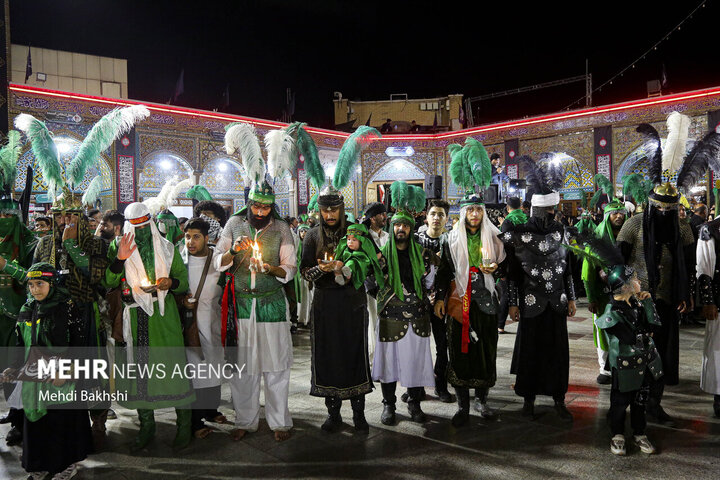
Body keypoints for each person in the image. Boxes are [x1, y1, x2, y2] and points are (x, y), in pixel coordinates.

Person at [104, 202, 195, 451]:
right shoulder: (118, 245)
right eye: (135, 227)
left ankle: (184, 426)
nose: (140, 232)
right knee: (139, 372)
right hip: (135, 317)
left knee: (173, 368)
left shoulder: (167, 248)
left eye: (144, 225)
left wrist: (169, 282)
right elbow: (108, 280)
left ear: (151, 222)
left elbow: (183, 281)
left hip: (164, 318)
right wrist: (120, 258)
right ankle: (147, 427)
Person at [215, 179, 296, 442]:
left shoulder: (282, 228)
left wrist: (270, 269)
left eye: (266, 208)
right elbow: (218, 261)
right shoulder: (233, 224)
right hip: (240, 306)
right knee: (243, 369)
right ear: (249, 203)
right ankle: (245, 420)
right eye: (257, 206)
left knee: (276, 366)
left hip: (270, 303)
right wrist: (233, 250)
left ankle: (279, 422)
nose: (261, 212)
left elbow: (290, 269)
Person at [438, 139, 506, 425]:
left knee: (485, 349)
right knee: (461, 351)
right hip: (460, 303)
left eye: (478, 210)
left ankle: (482, 401)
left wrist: (496, 272)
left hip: (487, 302)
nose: (475, 214)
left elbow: (504, 268)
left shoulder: (494, 238)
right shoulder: (451, 240)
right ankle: (463, 405)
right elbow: (443, 271)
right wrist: (441, 298)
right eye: (470, 210)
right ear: (463, 213)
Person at [3, 263, 93, 479]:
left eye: (40, 284)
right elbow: (20, 343)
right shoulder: (27, 309)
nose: (35, 289)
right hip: (34, 376)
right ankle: (40, 465)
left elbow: (80, 344)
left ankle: (66, 466)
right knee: (36, 423)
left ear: (52, 284)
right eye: (31, 285)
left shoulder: (67, 307)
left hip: (62, 376)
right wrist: (14, 367)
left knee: (60, 421)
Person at [503, 156, 576, 421]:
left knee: (558, 353)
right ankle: (528, 400)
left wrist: (571, 298)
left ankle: (559, 398)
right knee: (530, 352)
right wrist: (512, 303)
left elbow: (566, 267)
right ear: (537, 210)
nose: (552, 216)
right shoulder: (520, 233)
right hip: (530, 301)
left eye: (553, 211)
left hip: (557, 301)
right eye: (549, 211)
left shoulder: (561, 232)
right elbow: (512, 273)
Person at [371, 183, 434, 425]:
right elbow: (370, 281)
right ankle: (389, 405)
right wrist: (385, 294)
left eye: (405, 225)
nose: (401, 228)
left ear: (411, 228)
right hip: (390, 315)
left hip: (417, 315)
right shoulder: (381, 255)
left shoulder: (423, 254)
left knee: (415, 362)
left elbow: (430, 282)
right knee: (388, 363)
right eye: (397, 224)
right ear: (391, 226)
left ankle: (414, 403)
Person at [0, 153, 37, 447]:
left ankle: (20, 422)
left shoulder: (30, 242)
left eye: (8, 217)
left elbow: (36, 278)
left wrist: (7, 266)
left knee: (18, 370)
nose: (3, 221)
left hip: (20, 320)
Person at [180, 218, 227, 439]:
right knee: (196, 370)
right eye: (188, 236)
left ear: (207, 238)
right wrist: (183, 302)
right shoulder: (180, 260)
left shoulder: (217, 259)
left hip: (213, 320)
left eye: (196, 236)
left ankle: (211, 410)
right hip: (191, 322)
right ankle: (196, 419)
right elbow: (174, 287)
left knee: (213, 366)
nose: (190, 241)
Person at [583, 194, 627, 385]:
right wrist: (591, 297)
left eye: (621, 213)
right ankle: (604, 368)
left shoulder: (628, 236)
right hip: (602, 295)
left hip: (625, 293)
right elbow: (587, 272)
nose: (619, 216)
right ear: (607, 215)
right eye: (614, 213)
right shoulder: (598, 238)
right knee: (603, 329)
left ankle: (622, 365)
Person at [415, 199, 454, 403]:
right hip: (419, 302)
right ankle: (417, 387)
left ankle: (441, 386)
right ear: (426, 216)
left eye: (441, 214)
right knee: (419, 345)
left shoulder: (451, 241)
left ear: (447, 219)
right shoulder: (416, 240)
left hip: (442, 302)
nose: (436, 218)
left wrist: (440, 296)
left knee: (442, 344)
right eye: (433, 214)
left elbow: (451, 273)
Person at [696, 218, 720, 418]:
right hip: (719, 302)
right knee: (718, 351)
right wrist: (708, 301)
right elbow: (704, 269)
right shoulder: (710, 229)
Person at [498, 197, 527, 334]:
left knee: (506, 294)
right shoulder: (528, 220)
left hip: (511, 264)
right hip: (526, 264)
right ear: (521, 206)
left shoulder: (507, 222)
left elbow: (503, 248)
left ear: (508, 208)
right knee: (524, 293)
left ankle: (500, 325)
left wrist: (502, 271)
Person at [295, 223, 312, 326]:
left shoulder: (310, 245)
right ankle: (300, 319)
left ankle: (308, 319)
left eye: (305, 231)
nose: (303, 233)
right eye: (301, 231)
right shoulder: (297, 244)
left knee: (308, 298)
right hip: (299, 275)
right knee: (301, 298)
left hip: (308, 275)